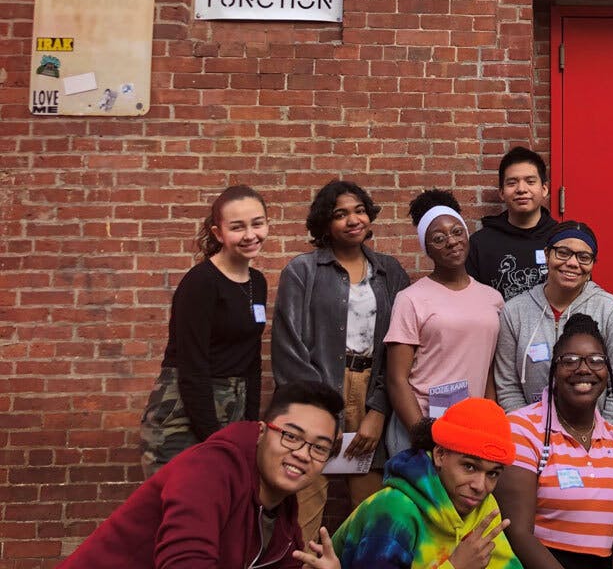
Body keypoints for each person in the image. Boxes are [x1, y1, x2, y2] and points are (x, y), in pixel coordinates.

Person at [62, 381, 345, 569]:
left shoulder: (284, 521)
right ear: (261, 432)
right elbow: (185, 562)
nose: (303, 453)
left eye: (320, 447)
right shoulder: (211, 468)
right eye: (290, 436)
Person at [273, 179, 412, 545]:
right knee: (301, 512)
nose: (353, 220)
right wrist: (324, 414)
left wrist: (378, 411)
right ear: (325, 223)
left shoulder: (390, 273)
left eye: (360, 211)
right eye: (340, 214)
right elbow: (288, 350)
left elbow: (399, 348)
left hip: (371, 393)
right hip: (316, 394)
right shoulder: (302, 271)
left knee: (372, 518)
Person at [495, 313, 613, 569]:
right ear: (554, 370)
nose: (584, 369)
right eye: (570, 360)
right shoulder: (521, 430)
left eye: (596, 361)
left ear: (607, 372)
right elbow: (517, 532)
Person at [138, 184, 271, 477]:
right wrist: (214, 438)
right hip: (185, 412)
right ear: (218, 233)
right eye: (237, 227)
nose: (250, 235)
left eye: (257, 224)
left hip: (233, 406)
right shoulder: (201, 283)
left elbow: (251, 360)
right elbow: (192, 368)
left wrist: (248, 427)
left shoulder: (257, 282)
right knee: (179, 497)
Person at [333, 398, 521, 569]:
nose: (480, 486)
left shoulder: (483, 505)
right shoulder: (395, 507)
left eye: (492, 473)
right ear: (440, 455)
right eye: (469, 467)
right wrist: (456, 566)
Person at [385, 190, 505, 454]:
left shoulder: (493, 298)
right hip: (419, 425)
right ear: (427, 249)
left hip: (470, 426)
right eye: (439, 239)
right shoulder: (410, 299)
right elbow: (396, 378)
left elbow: (488, 368)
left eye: (457, 232)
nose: (451, 241)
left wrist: (489, 416)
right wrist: (424, 435)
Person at [494, 221, 613, 429]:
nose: (572, 263)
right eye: (563, 253)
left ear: (592, 264)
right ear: (547, 254)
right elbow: (508, 386)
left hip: (601, 437)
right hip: (532, 437)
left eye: (584, 257)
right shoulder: (515, 312)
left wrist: (601, 435)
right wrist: (530, 434)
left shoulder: (611, 311)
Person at [467, 146, 560, 301]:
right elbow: (469, 302)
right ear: (501, 192)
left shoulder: (562, 239)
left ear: (544, 189)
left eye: (530, 181)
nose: (521, 189)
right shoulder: (480, 244)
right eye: (512, 183)